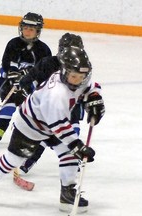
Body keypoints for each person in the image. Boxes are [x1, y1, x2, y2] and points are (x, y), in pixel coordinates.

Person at [0, 46, 105, 213]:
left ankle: (67, 193)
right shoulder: (56, 94)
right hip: (31, 125)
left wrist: (94, 98)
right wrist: (77, 145)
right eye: (74, 76)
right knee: (14, 159)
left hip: (53, 124)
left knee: (69, 154)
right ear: (65, 72)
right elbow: (58, 125)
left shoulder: (75, 76)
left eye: (81, 76)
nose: (77, 80)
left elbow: (91, 86)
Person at [19, 33, 85, 173]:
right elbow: (26, 81)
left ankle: (73, 161)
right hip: (49, 107)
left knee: (72, 135)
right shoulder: (47, 63)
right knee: (45, 135)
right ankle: (29, 160)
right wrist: (30, 94)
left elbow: (87, 88)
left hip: (71, 107)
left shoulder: (82, 68)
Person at [0, 12, 52, 143]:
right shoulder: (13, 44)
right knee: (9, 103)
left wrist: (30, 78)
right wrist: (12, 75)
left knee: (28, 109)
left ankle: (19, 129)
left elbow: (45, 71)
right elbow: (7, 63)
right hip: (10, 82)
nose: (27, 32)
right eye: (25, 28)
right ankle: (0, 128)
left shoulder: (43, 49)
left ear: (38, 31)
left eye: (31, 29)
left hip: (31, 85)